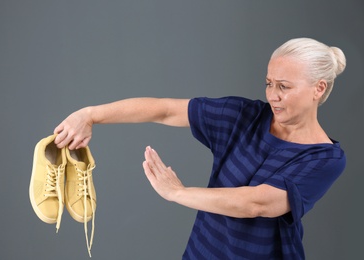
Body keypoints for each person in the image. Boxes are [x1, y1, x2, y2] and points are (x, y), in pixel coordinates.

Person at [53, 37, 346, 259]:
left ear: (318, 89)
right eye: (269, 83)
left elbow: (258, 203)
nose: (272, 95)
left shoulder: (324, 158)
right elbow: (164, 110)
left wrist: (178, 193)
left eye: (284, 86)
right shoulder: (244, 116)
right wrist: (89, 115)